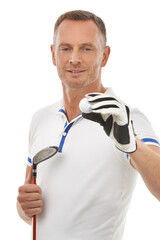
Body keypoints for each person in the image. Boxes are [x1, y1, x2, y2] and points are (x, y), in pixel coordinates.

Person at [17, 10, 160, 240]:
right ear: (53, 54)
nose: (74, 58)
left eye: (86, 48)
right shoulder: (40, 119)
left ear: (104, 56)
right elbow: (28, 208)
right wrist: (24, 208)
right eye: (65, 48)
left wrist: (132, 144)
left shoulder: (126, 118)